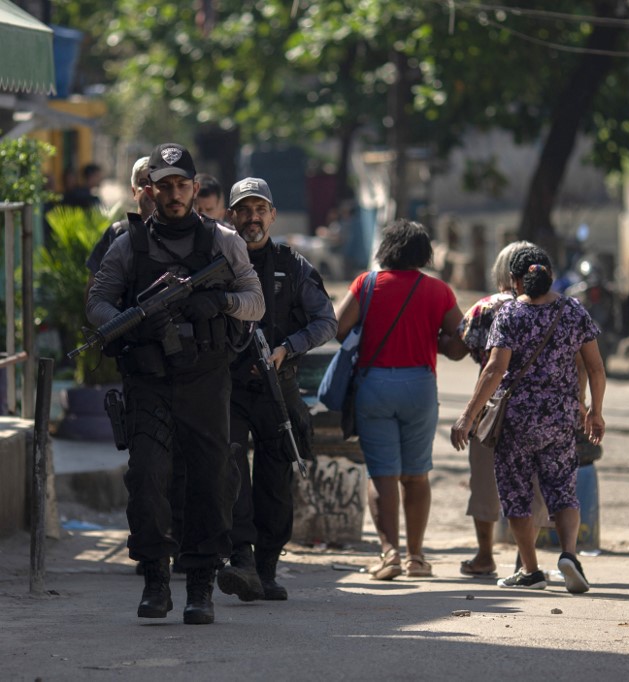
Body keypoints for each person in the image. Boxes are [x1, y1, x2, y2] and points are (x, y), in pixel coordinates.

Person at [87, 142, 265, 624]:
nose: (173, 193)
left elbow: (255, 300)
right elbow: (98, 302)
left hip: (205, 380)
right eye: (163, 185)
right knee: (146, 477)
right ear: (149, 189)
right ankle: (155, 579)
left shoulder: (222, 241)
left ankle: (201, 585)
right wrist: (129, 322)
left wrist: (221, 303)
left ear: (193, 185)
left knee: (209, 481)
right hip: (150, 381)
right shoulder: (130, 244)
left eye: (181, 184)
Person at [450, 245, 606, 593]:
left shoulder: (508, 315)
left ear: (514, 281)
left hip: (516, 422)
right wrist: (594, 410)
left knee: (517, 494)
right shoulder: (573, 311)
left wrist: (468, 416)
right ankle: (569, 555)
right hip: (561, 420)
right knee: (563, 491)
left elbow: (494, 370)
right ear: (549, 275)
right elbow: (595, 367)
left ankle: (531, 569)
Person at [216, 178, 336, 602]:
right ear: (232, 217)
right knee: (228, 471)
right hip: (227, 387)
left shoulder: (294, 265)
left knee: (275, 478)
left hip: (276, 389)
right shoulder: (217, 261)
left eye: (259, 209)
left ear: (272, 215)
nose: (252, 218)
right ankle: (242, 560)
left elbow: (326, 321)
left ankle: (266, 568)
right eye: (244, 210)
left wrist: (289, 348)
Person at [333, 219, 463, 580]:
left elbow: (337, 326)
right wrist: (434, 340)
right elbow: (459, 345)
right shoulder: (438, 291)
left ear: (385, 249)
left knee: (382, 474)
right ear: (424, 252)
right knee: (417, 474)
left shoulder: (367, 283)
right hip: (420, 385)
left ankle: (389, 553)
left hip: (374, 385)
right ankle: (416, 557)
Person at [439, 241, 553, 578]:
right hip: (540, 407)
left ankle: (485, 555)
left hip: (492, 406)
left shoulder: (486, 308)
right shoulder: (555, 306)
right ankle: (525, 558)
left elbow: (459, 348)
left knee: (485, 479)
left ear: (502, 271)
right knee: (534, 482)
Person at [86, 156, 155, 293]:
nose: (150, 189)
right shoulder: (118, 232)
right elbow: (93, 289)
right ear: (134, 191)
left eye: (156, 183)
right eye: (143, 183)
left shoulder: (178, 233)